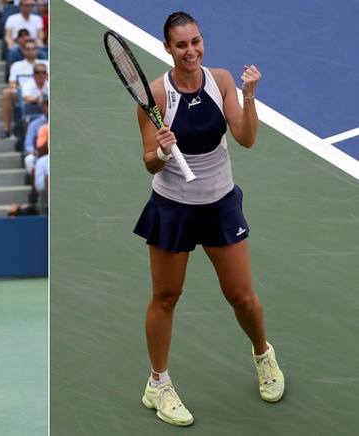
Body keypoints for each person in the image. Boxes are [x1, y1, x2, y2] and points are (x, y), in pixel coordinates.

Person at [133, 12, 284, 427]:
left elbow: (246, 138)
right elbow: (149, 162)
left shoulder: (219, 81)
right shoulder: (154, 97)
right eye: (181, 45)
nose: (191, 51)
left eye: (195, 41)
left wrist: (249, 95)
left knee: (242, 296)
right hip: (173, 207)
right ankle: (158, 383)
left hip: (219, 203)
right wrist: (163, 151)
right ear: (167, 49)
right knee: (166, 297)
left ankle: (263, 354)